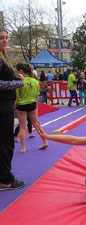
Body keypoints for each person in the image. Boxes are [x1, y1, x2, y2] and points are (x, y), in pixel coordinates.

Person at [0, 27, 26, 190]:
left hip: (5, 104)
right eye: (1, 37)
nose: (5, 40)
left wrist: (15, 76)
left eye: (6, 37)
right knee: (5, 143)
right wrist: (18, 83)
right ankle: (5, 179)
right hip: (2, 106)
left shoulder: (3, 57)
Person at [15, 63, 48, 153]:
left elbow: (17, 97)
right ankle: (45, 141)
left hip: (22, 105)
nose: (15, 72)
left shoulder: (19, 81)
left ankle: (23, 148)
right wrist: (36, 106)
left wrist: (14, 107)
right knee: (37, 125)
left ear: (21, 71)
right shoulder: (34, 81)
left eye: (16, 70)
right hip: (32, 104)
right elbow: (37, 96)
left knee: (22, 127)